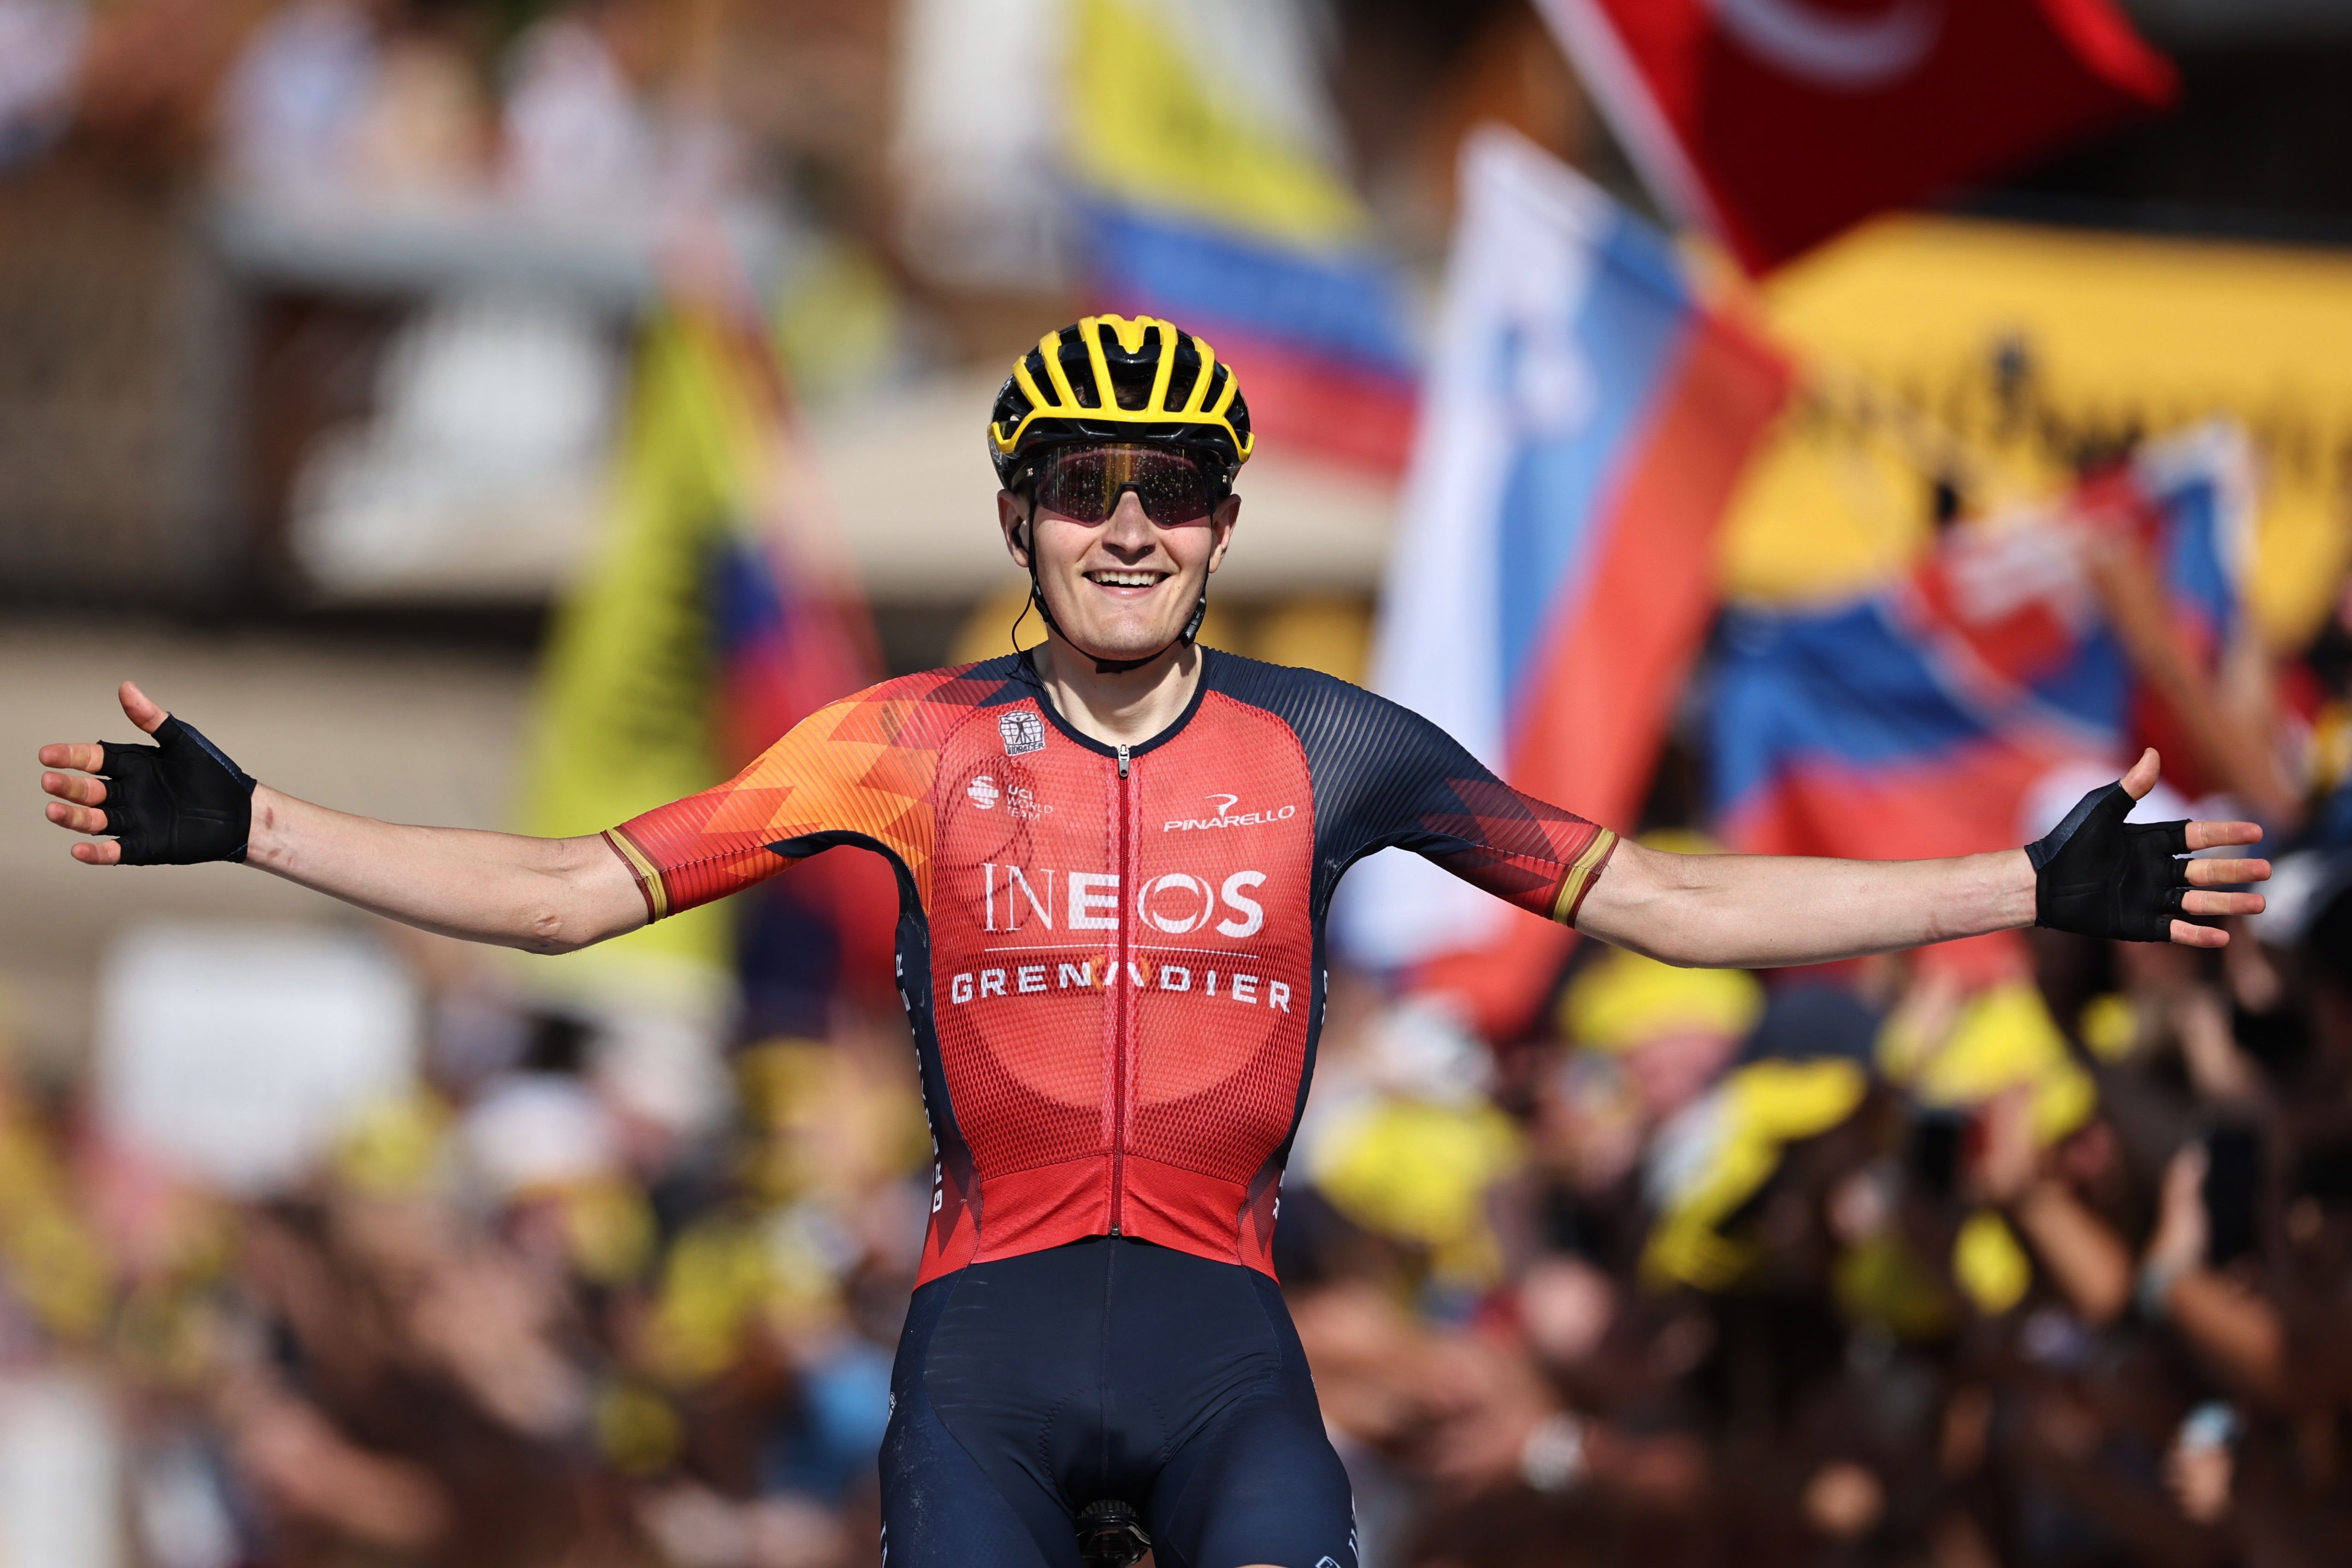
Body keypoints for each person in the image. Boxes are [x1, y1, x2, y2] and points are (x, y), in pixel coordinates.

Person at [36, 314, 2271, 1568]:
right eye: (1086, 483)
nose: (1130, 521)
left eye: (1176, 489)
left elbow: (1669, 899)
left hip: (1221, 1352)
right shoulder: (896, 739)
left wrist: (2026, 883)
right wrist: (256, 825)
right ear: (1020, 516)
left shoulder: (1340, 743)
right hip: (986, 1367)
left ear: (1215, 529)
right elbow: (563, 890)